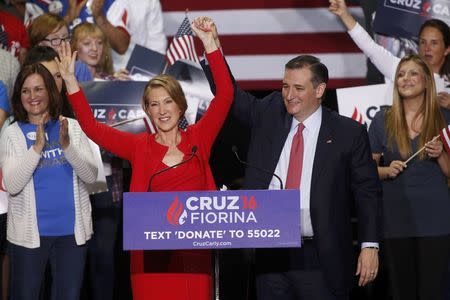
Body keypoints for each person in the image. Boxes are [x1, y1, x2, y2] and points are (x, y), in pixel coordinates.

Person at [200, 19, 382, 299]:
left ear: (319, 90)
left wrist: (370, 245)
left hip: (322, 256)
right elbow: (231, 96)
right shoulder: (271, 111)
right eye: (285, 86)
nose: (288, 95)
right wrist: (211, 46)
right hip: (270, 255)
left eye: (298, 88)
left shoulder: (348, 132)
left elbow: (367, 192)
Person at [56, 16, 233, 300]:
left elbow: (225, 94)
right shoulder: (139, 146)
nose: (162, 110)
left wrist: (210, 43)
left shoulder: (199, 139)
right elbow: (91, 127)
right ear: (147, 112)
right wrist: (70, 81)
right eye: (154, 104)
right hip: (150, 254)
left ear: (181, 105)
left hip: (194, 252)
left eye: (168, 102)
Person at [0, 63, 98, 300]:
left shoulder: (71, 127)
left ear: (50, 92)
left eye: (38, 89)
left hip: (71, 236)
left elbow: (90, 176)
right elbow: (12, 185)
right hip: (28, 237)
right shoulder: (12, 133)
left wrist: (66, 146)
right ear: (18, 95)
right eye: (25, 91)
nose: (32, 97)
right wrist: (36, 148)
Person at [367, 54, 450, 300]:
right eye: (401, 74)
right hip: (396, 219)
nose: (406, 79)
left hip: (436, 220)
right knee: (401, 292)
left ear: (426, 81)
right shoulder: (382, 120)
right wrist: (385, 170)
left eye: (413, 73)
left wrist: (441, 155)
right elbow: (366, 171)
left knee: (432, 292)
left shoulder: (444, 119)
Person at [329, 0, 450, 108]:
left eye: (434, 43)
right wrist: (344, 14)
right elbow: (371, 48)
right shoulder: (401, 68)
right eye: (423, 42)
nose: (427, 48)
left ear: (447, 49)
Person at [91, 0, 167, 69]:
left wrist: (157, 72)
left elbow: (156, 44)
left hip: (136, 72)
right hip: (97, 71)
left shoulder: (149, 2)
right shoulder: (89, 3)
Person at [28, 13, 93, 82]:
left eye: (65, 38)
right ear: (39, 43)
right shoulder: (30, 71)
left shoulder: (80, 69)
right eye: (55, 39)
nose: (62, 44)